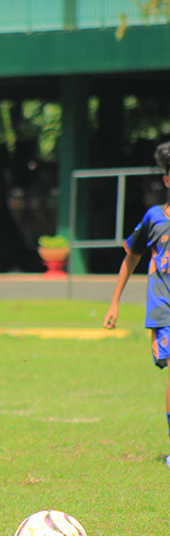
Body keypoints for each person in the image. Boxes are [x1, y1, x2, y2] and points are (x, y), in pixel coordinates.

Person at [104, 140, 170, 465]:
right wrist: (115, 302)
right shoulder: (154, 218)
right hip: (164, 311)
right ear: (167, 180)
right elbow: (131, 256)